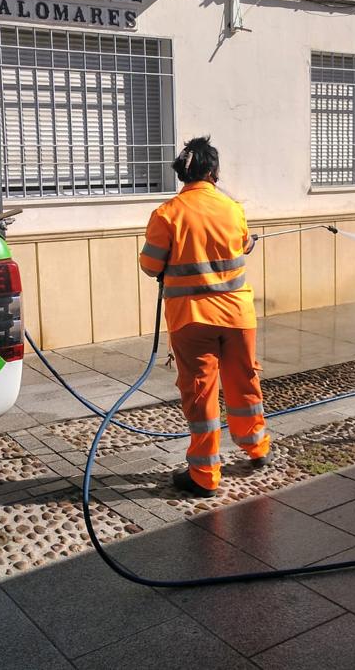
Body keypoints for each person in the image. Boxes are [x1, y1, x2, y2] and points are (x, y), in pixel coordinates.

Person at [139, 136, 271, 498]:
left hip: (192, 320)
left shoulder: (166, 214)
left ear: (183, 173)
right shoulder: (233, 209)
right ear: (213, 171)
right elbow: (242, 245)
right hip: (238, 316)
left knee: (201, 394)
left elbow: (151, 265)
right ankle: (257, 447)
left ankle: (205, 476)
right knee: (245, 381)